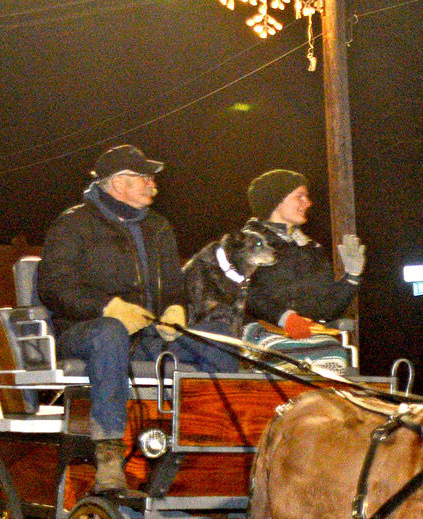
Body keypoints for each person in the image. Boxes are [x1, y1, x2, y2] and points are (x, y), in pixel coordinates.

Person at [37, 144, 237, 495]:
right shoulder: (73, 224)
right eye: (144, 178)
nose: (153, 185)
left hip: (147, 333)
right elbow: (53, 286)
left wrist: (176, 308)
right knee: (111, 332)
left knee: (219, 339)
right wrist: (107, 307)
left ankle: (225, 444)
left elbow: (174, 287)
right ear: (117, 183)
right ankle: (109, 454)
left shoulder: (159, 228)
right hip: (84, 332)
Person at [239, 169, 365, 369]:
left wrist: (352, 278)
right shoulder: (246, 243)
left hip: (305, 334)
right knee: (293, 358)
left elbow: (328, 308)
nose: (308, 203)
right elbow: (244, 292)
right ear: (277, 201)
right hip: (260, 329)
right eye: (300, 196)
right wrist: (284, 318)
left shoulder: (311, 249)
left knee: (334, 355)